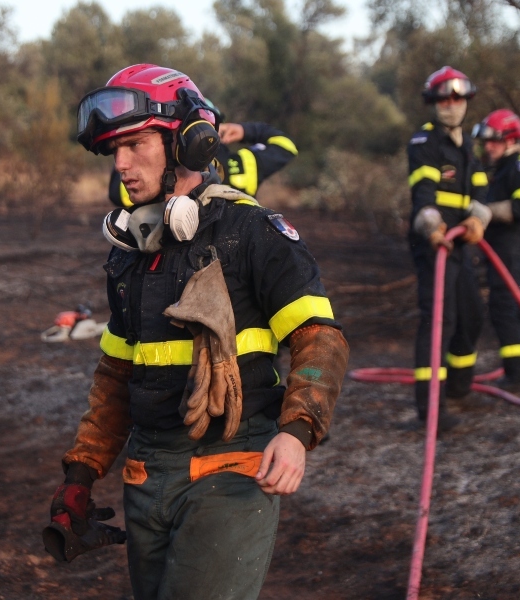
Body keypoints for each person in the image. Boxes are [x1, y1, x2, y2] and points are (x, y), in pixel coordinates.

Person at [50, 64, 349, 599]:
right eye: (113, 150)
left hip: (231, 469)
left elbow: (318, 337)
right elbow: (115, 375)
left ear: (190, 143)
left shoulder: (251, 232)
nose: (120, 164)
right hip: (147, 474)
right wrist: (81, 474)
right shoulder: (131, 256)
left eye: (136, 144)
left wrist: (298, 431)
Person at [406, 66, 492, 431]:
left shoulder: (469, 147)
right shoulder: (424, 145)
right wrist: (432, 226)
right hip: (435, 245)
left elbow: (481, 195)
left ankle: (459, 388)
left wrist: (479, 220)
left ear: (467, 102)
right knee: (439, 321)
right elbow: (423, 197)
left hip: (459, 244)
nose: (451, 105)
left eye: (457, 98)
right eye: (443, 98)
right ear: (433, 103)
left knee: (471, 315)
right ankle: (432, 411)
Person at [473, 109, 520, 391]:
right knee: (512, 306)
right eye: (486, 140)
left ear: (511, 139)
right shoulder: (503, 168)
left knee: (503, 307)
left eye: (494, 140)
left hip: (511, 251)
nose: (488, 146)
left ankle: (517, 375)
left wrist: (484, 211)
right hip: (503, 250)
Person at [109, 114, 298, 207]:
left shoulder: (165, 168)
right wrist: (244, 130)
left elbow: (117, 193)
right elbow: (287, 146)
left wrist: (127, 147)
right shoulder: (245, 163)